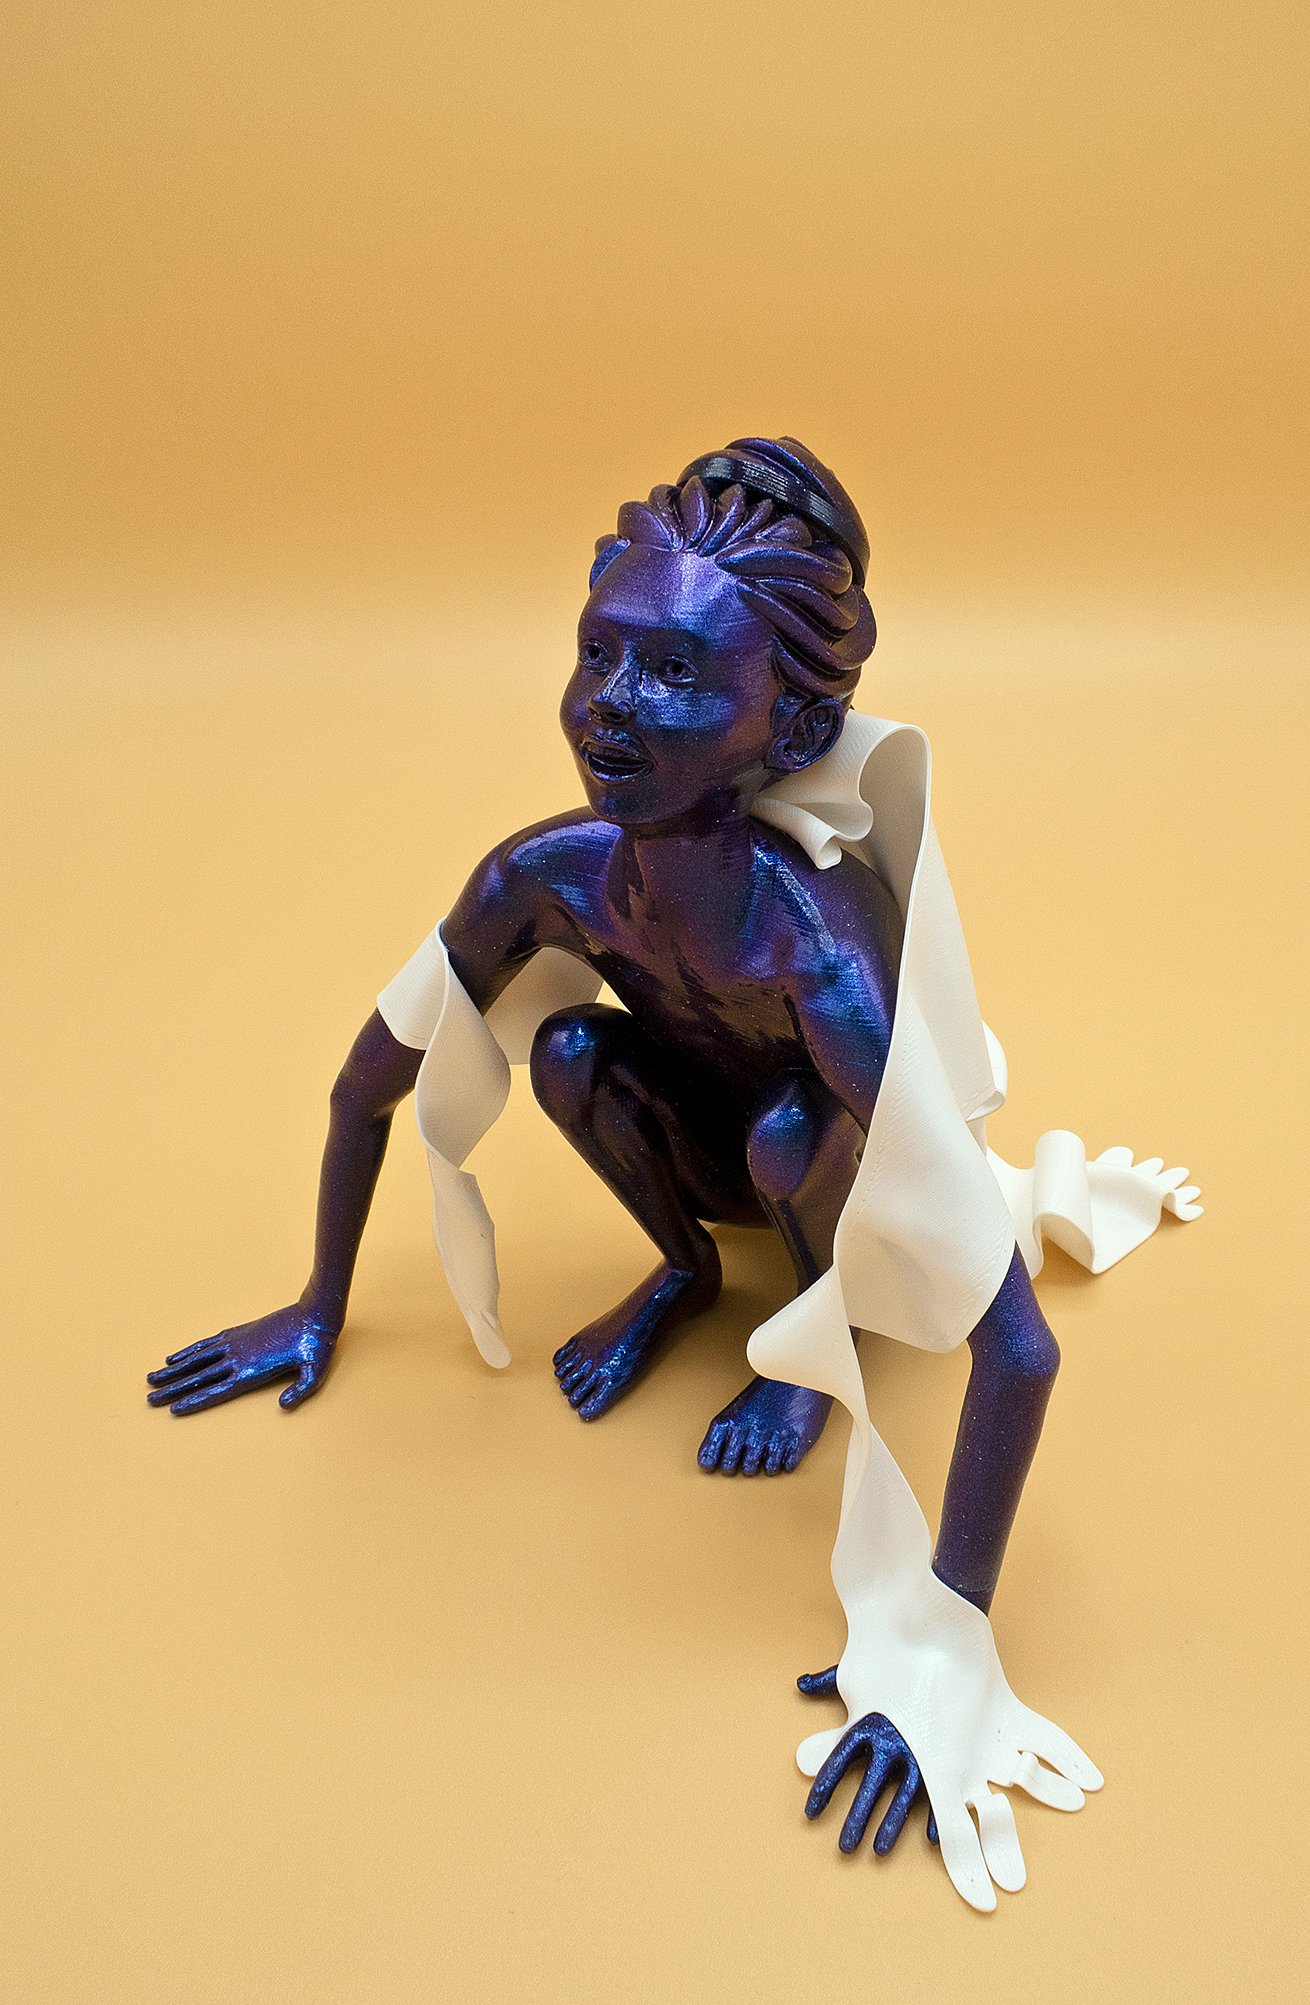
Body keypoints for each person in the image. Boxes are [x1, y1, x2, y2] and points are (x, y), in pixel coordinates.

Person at [149, 440, 1192, 1900]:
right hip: (695, 1146)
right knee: (571, 1052)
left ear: (793, 723)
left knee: (789, 1131)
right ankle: (686, 1274)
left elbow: (1018, 1350)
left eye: (680, 673)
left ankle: (806, 1349)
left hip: (820, 1177)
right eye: (601, 652)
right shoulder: (551, 877)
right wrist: (320, 1302)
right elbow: (370, 1080)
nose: (614, 705)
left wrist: (945, 1637)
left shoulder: (814, 949)